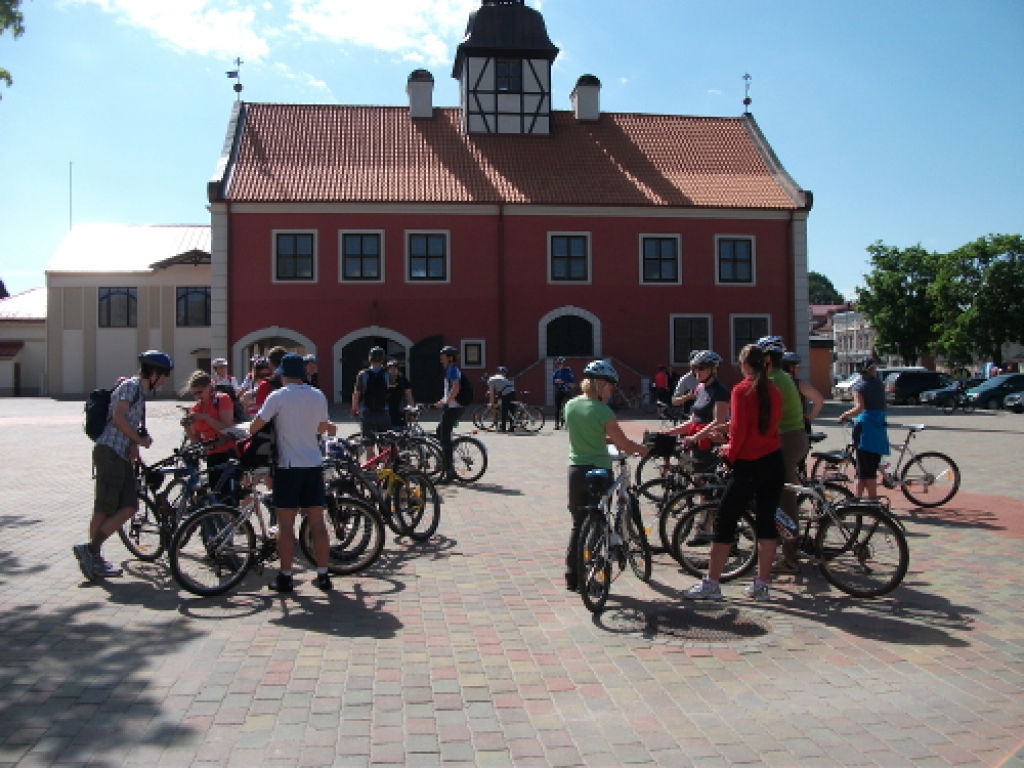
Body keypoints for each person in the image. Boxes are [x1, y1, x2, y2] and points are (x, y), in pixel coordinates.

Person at [683, 344, 784, 602]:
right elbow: (767, 426)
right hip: (773, 461)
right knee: (766, 525)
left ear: (744, 365)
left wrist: (728, 454)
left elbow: (739, 431)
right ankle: (761, 584)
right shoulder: (774, 390)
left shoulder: (741, 390)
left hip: (748, 464)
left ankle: (712, 583)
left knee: (724, 522)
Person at [73, 350, 174, 582]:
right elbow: (118, 418)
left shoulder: (139, 392)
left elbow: (127, 425)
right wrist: (139, 440)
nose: (165, 380)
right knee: (104, 507)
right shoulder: (131, 386)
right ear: (154, 372)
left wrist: (135, 448)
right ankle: (93, 555)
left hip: (121, 455)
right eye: (164, 375)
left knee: (129, 506)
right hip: (109, 451)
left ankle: (90, 551)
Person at [249, 353, 337, 593]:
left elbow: (255, 425)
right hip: (313, 464)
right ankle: (323, 574)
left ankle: (286, 576)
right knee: (317, 523)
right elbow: (321, 428)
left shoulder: (278, 397)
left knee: (286, 526)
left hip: (288, 467)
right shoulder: (318, 395)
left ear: (283, 375)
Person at [563, 360, 648, 592]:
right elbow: (623, 444)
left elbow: (591, 435)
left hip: (575, 470)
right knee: (599, 519)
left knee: (578, 524)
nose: (611, 391)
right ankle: (594, 570)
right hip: (598, 471)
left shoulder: (570, 405)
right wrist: (641, 449)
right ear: (600, 384)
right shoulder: (602, 410)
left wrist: (608, 439)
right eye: (610, 386)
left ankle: (572, 576)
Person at [757, 336, 809, 574]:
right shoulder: (784, 377)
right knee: (780, 493)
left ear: (767, 359)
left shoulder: (771, 380)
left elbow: (763, 414)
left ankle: (790, 558)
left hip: (786, 440)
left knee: (785, 500)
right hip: (795, 437)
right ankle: (779, 544)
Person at [664, 350, 730, 458]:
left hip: (713, 446)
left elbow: (719, 421)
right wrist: (669, 432)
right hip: (698, 442)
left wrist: (694, 438)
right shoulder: (700, 388)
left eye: (701, 368)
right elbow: (693, 420)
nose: (697, 372)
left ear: (713, 369)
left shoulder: (720, 391)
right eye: (695, 368)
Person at [839, 357, 889, 499]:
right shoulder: (880, 384)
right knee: (863, 470)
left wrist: (844, 415)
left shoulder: (859, 387)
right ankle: (857, 498)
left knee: (867, 472)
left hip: (865, 431)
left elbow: (859, 408)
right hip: (879, 429)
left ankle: (873, 502)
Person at [182, 370, 237, 500]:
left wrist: (206, 418)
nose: (197, 396)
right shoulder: (196, 408)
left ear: (209, 386)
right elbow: (196, 442)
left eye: (200, 392)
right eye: (194, 393)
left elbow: (227, 428)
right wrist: (187, 428)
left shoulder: (222, 399)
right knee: (215, 495)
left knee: (226, 496)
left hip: (227, 452)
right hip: (211, 454)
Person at [351, 346, 392, 457]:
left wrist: (355, 407)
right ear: (382, 359)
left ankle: (371, 470)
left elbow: (357, 393)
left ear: (370, 358)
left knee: (369, 445)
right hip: (383, 411)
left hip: (367, 412)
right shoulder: (387, 374)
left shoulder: (362, 374)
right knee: (385, 445)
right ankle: (385, 470)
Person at [434, 346, 464, 482]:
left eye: (443, 356)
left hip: (453, 408)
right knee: (440, 432)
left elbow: (456, 387)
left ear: (450, 358)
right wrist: (441, 401)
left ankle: (449, 470)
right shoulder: (450, 370)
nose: (441, 359)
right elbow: (449, 391)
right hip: (453, 407)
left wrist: (447, 402)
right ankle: (444, 462)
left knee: (444, 438)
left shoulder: (452, 369)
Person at [780, 352, 824, 433]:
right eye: (797, 366)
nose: (799, 368)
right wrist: (809, 417)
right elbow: (819, 400)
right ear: (790, 367)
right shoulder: (798, 384)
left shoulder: (774, 381)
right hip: (797, 427)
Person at [386, 359, 415, 428]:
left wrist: (412, 411)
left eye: (394, 368)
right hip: (387, 410)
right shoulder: (385, 380)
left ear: (398, 369)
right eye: (390, 369)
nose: (392, 371)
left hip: (400, 409)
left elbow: (409, 396)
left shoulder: (403, 380)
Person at [487, 366, 515, 432]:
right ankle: (512, 427)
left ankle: (503, 428)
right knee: (511, 410)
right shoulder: (501, 377)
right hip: (512, 392)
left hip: (506, 393)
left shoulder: (491, 380)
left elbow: (491, 393)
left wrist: (491, 403)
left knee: (504, 410)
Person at [552, 357, 575, 430]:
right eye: (558, 364)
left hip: (566, 390)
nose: (560, 365)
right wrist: (556, 381)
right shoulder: (556, 372)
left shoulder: (568, 370)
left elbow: (571, 380)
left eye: (561, 364)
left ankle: (566, 423)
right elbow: (553, 381)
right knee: (557, 407)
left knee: (567, 407)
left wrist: (563, 381)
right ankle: (557, 424)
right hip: (559, 390)